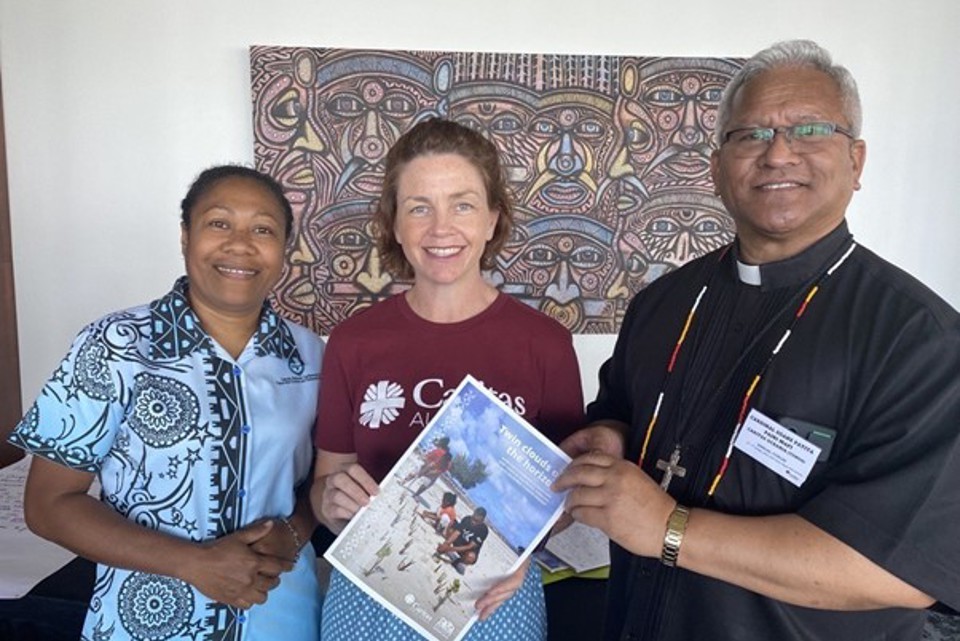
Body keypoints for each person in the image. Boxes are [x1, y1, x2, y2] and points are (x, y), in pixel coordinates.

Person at [554, 39, 960, 641]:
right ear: (717, 169)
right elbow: (620, 410)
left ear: (857, 161)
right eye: (749, 135)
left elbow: (897, 568)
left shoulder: (918, 341)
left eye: (809, 130)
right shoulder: (662, 303)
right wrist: (608, 436)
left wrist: (668, 528)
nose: (777, 154)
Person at [7, 165, 324, 640]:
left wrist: (295, 532)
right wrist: (193, 563)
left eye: (263, 229)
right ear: (185, 236)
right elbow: (48, 504)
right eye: (219, 223)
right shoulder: (115, 344)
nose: (240, 244)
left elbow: (322, 482)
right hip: (146, 621)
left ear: (285, 250)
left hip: (280, 616)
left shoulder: (313, 357)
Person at [311, 117, 585, 641]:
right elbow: (326, 485)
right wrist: (331, 502)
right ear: (395, 224)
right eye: (419, 208)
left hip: (494, 599)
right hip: (369, 596)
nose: (441, 229)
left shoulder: (544, 343)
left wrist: (525, 552)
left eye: (462, 204)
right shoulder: (354, 342)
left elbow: (564, 499)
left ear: (492, 220)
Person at [436, 507, 489, 572]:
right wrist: (446, 544)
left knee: (471, 557)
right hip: (459, 542)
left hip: (466, 551)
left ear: (482, 520)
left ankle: (458, 561)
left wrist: (450, 549)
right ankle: (444, 548)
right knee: (451, 526)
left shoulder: (483, 530)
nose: (473, 522)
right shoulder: (467, 519)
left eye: (476, 521)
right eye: (473, 519)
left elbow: (469, 546)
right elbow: (457, 533)